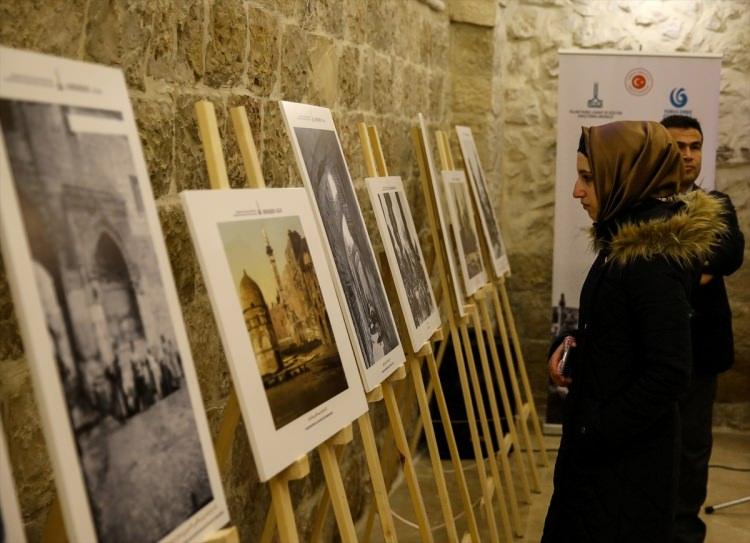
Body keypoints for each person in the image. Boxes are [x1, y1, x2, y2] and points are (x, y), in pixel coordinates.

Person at [542, 121, 727, 542]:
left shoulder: (649, 259)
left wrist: (595, 431)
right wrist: (570, 345)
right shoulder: (623, 243)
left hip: (623, 470)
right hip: (604, 458)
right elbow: (618, 330)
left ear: (626, 176)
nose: (577, 190)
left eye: (588, 178)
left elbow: (668, 372)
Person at [661, 114, 745, 543]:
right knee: (651, 446)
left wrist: (678, 270)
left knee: (693, 448)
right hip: (653, 347)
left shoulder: (717, 203)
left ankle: (684, 530)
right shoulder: (639, 205)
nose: (689, 155)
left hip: (701, 349)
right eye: (679, 147)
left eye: (695, 147)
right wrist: (696, 268)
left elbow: (729, 252)